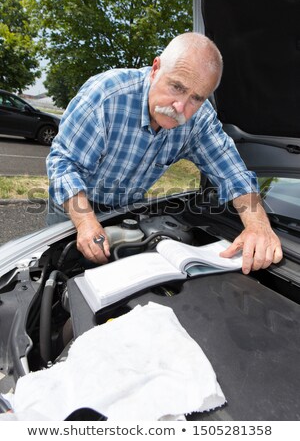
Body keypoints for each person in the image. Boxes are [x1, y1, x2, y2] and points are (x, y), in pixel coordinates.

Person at [46, 32, 282, 274]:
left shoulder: (199, 120)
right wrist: (85, 222)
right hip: (74, 203)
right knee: (61, 269)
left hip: (125, 208)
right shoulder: (106, 96)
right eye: (177, 87)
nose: (180, 107)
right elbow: (64, 163)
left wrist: (258, 225)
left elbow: (232, 172)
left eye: (196, 98)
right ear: (155, 68)